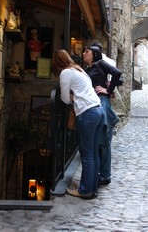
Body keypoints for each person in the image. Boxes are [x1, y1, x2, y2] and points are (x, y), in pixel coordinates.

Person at [52, 49, 106, 199]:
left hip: (87, 113)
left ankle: (85, 191)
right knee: (93, 153)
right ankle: (91, 186)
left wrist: (71, 97)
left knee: (86, 154)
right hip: (98, 110)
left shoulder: (66, 73)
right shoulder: (79, 70)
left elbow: (64, 99)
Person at [82, 46, 121, 186]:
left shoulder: (100, 64)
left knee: (104, 142)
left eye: (87, 51)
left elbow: (117, 73)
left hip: (102, 102)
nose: (83, 53)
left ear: (95, 54)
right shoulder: (87, 69)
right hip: (94, 104)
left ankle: (105, 176)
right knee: (98, 142)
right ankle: (100, 173)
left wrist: (108, 89)